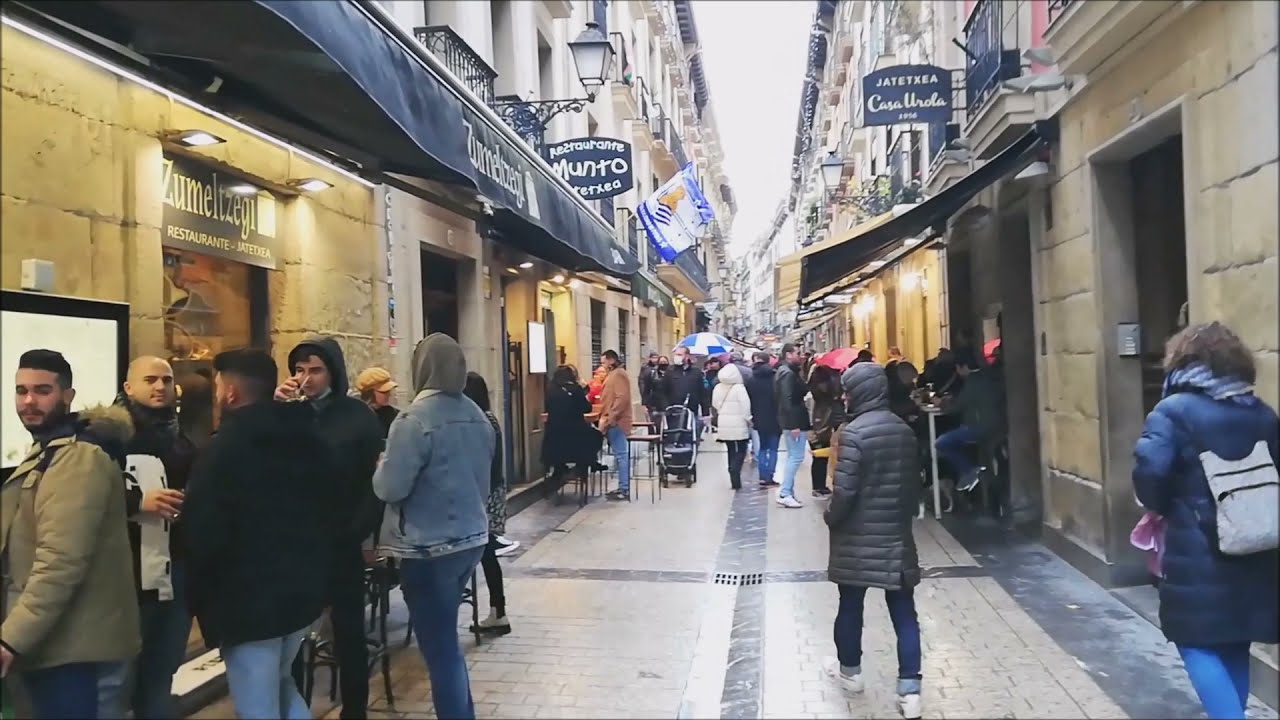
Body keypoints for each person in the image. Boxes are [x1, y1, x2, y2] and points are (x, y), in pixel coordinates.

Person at [1133, 322, 1279, 720]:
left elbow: (1151, 474)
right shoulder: (1262, 412)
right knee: (1234, 642)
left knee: (1194, 641)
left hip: (1198, 549)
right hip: (1256, 545)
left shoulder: (1173, 411)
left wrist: (1161, 506)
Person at [183, 349, 334, 720]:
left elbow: (203, 533)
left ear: (231, 392)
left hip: (248, 604)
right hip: (300, 593)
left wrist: (199, 598)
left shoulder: (223, 450)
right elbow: (330, 504)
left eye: (219, 384)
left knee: (257, 706)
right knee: (283, 689)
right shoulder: (307, 436)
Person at [3, 350, 140, 719]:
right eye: (21, 390)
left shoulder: (77, 458)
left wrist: (11, 638)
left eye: (42, 390)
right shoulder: (51, 448)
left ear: (67, 395)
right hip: (58, 645)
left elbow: (60, 560)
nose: (28, 401)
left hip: (78, 653)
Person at [373, 333, 493, 720]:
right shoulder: (478, 415)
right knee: (446, 644)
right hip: (470, 541)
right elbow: (484, 480)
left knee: (440, 651)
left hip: (428, 548)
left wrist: (379, 466)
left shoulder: (413, 420)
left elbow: (390, 488)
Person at [275, 338, 384, 718]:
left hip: (341, 540)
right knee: (291, 634)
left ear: (332, 372)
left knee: (348, 632)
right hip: (296, 541)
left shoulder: (357, 416)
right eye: (299, 370)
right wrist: (276, 412)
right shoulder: (288, 414)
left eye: (315, 370)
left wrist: (359, 531)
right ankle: (294, 707)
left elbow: (375, 483)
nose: (306, 378)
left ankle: (355, 709)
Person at [99, 357, 198, 720]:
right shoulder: (105, 434)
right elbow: (85, 494)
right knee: (116, 681)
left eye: (166, 380)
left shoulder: (177, 433)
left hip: (172, 573)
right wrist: (139, 501)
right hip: (124, 576)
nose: (160, 387)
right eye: (150, 379)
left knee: (160, 675)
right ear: (128, 387)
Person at [823, 362, 923, 720]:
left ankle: (850, 672)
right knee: (904, 612)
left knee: (850, 606)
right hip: (895, 535)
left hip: (857, 537)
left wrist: (830, 517)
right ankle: (910, 692)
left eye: (848, 390)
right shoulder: (903, 431)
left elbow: (844, 492)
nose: (845, 396)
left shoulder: (853, 433)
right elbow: (914, 485)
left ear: (860, 392)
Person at [462, 372, 514, 635]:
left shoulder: (482, 422)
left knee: (485, 553)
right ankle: (498, 611)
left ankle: (498, 612)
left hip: (484, 498)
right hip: (490, 495)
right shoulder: (489, 420)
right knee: (486, 554)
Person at [934, 354, 1005, 493]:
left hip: (979, 427)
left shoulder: (973, 381)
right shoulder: (987, 377)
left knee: (941, 443)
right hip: (997, 425)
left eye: (958, 368)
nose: (957, 372)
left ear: (964, 367)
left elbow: (956, 407)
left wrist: (940, 403)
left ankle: (969, 470)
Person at [543, 365, 601, 485]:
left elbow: (548, 407)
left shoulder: (550, 389)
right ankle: (584, 466)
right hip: (576, 437)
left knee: (561, 450)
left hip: (554, 438)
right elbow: (587, 408)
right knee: (596, 436)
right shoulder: (575, 389)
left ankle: (559, 470)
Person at [774, 343, 811, 508]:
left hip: (793, 419)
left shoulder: (788, 372)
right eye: (798, 353)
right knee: (796, 457)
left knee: (793, 457)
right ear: (788, 355)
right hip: (794, 420)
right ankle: (785, 493)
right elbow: (786, 399)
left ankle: (789, 492)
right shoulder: (787, 374)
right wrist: (794, 424)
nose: (801, 355)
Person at [598, 350, 634, 501]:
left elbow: (621, 397)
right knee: (619, 455)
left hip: (617, 421)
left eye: (604, 362)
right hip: (612, 420)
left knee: (621, 455)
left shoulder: (619, 374)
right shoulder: (613, 374)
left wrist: (610, 417)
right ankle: (622, 486)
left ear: (611, 360)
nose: (603, 365)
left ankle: (624, 489)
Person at [711, 362, 752, 490]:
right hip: (739, 422)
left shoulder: (718, 387)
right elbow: (746, 406)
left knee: (730, 449)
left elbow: (715, 404)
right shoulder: (739, 388)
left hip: (724, 422)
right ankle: (735, 470)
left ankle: (731, 471)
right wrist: (749, 419)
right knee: (741, 449)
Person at [745, 351, 782, 487]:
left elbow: (749, 399)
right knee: (773, 449)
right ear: (768, 361)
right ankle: (769, 477)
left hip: (759, 417)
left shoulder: (751, 379)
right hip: (775, 417)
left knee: (762, 448)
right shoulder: (775, 377)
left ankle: (762, 476)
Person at [807, 364, 845, 499]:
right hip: (823, 424)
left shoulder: (816, 386)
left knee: (821, 456)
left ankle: (819, 486)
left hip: (822, 423)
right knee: (821, 456)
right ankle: (819, 487)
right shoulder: (824, 387)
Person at [662, 347, 708, 440]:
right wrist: (665, 407)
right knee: (674, 437)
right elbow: (663, 390)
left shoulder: (696, 372)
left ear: (687, 356)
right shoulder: (670, 371)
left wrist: (705, 412)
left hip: (691, 410)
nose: (676, 357)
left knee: (691, 436)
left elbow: (702, 392)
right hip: (674, 411)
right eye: (675, 354)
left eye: (679, 355)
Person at [355, 366, 400, 438]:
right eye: (384, 392)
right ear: (370, 393)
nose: (388, 394)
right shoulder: (356, 417)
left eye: (389, 391)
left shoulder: (394, 415)